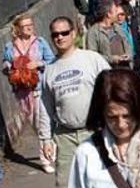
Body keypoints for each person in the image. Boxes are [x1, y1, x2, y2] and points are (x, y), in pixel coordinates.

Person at [39, 16, 111, 178]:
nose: (60, 37)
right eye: (55, 34)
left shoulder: (93, 59)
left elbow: (113, 90)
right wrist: (45, 139)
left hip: (95, 130)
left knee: (103, 179)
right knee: (71, 185)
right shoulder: (49, 71)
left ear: (73, 34)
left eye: (64, 33)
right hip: (65, 136)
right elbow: (45, 108)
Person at [1, 14, 55, 163]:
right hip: (23, 91)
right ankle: (50, 145)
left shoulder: (40, 42)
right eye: (25, 26)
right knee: (35, 125)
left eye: (31, 24)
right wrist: (9, 67)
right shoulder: (10, 47)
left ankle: (46, 158)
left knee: (42, 122)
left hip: (40, 87)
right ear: (18, 29)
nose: (30, 27)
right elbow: (5, 62)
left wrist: (38, 64)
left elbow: (52, 60)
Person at [85, 0, 132, 68]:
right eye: (115, 11)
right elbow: (93, 56)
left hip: (124, 69)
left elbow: (127, 44)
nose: (118, 14)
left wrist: (128, 55)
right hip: (107, 72)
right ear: (109, 14)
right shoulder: (93, 32)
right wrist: (112, 59)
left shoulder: (117, 27)